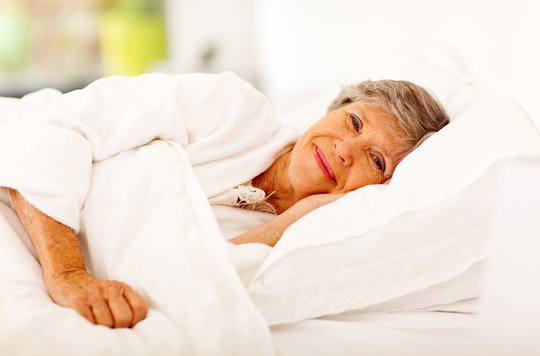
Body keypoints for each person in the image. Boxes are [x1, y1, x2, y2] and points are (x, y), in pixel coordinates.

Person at [6, 73, 449, 329]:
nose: (344, 150)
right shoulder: (234, 107)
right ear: (333, 107)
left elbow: (187, 290)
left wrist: (285, 223)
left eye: (375, 159)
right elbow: (58, 128)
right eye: (354, 121)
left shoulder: (303, 237)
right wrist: (67, 273)